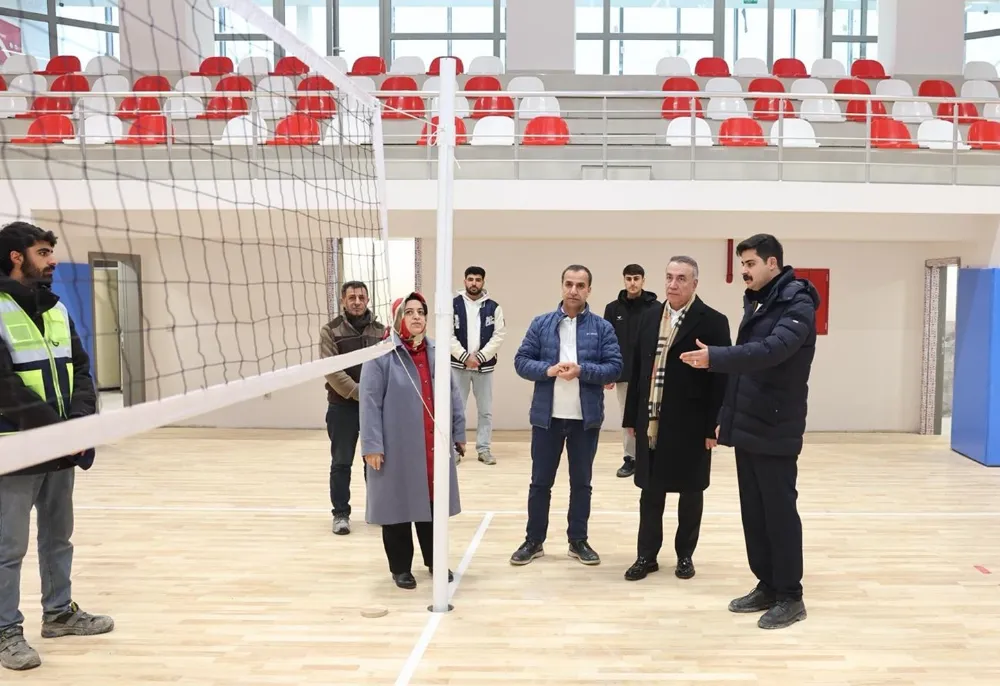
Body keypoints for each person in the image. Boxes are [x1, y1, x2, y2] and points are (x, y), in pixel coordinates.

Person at [679, 234, 819, 631]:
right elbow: (745, 372)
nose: (745, 270)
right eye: (742, 264)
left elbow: (772, 352)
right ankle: (768, 585)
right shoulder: (759, 301)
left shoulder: (797, 303)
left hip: (776, 423)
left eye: (751, 263)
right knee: (754, 513)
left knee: (779, 513)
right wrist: (726, 415)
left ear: (772, 263)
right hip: (749, 422)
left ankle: (791, 596)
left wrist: (715, 357)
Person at [0, 221, 114, 672]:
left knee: (57, 537)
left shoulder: (56, 308)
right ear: (17, 257)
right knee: (7, 549)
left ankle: (60, 613)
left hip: (61, 448)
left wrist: (80, 425)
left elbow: (82, 370)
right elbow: (5, 389)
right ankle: (6, 631)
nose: (53, 261)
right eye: (44, 253)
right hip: (15, 451)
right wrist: (58, 433)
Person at [621, 257, 730, 583]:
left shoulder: (713, 321)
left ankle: (685, 555)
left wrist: (714, 426)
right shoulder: (649, 316)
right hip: (651, 420)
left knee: (691, 492)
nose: (673, 284)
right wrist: (631, 417)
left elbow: (722, 379)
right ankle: (646, 556)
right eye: (669, 277)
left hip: (692, 424)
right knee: (650, 493)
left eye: (681, 278)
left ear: (694, 283)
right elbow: (638, 369)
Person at [509, 265, 622, 567]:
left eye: (580, 285)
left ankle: (578, 540)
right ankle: (534, 541)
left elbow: (614, 367)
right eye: (569, 284)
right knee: (540, 483)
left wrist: (582, 370)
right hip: (546, 418)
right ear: (561, 286)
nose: (574, 290)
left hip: (585, 419)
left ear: (589, 290)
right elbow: (521, 361)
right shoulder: (541, 323)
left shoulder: (602, 328)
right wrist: (547, 370)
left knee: (581, 483)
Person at [359, 292, 466, 590]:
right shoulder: (380, 356)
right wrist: (371, 445)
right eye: (409, 312)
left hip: (432, 446)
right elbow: (369, 403)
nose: (417, 317)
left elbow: (453, 396)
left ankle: (435, 561)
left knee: (432, 505)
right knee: (396, 507)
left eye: (421, 312)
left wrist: (458, 433)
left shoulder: (437, 352)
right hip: (396, 447)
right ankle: (401, 568)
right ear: (397, 319)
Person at [319, 280, 386, 535]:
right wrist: (363, 394)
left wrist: (373, 400)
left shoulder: (381, 331)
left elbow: (386, 367)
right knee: (341, 462)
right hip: (342, 408)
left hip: (374, 410)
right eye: (351, 298)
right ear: (343, 301)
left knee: (375, 461)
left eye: (361, 297)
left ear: (368, 300)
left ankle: (377, 509)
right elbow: (332, 371)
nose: (357, 302)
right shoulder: (330, 330)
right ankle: (340, 514)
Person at [603, 264, 659, 479]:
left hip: (651, 373)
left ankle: (652, 455)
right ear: (624, 280)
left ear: (643, 280)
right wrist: (608, 372)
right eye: (629, 278)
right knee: (627, 417)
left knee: (653, 414)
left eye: (636, 278)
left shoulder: (656, 307)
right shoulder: (612, 309)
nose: (632, 283)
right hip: (624, 374)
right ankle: (631, 458)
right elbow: (607, 342)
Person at [450, 266, 506, 465]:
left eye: (478, 279)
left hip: (484, 368)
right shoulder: (453, 305)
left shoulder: (494, 307)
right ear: (465, 281)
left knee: (485, 411)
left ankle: (484, 449)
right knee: (456, 410)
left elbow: (499, 335)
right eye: (470, 279)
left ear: (483, 282)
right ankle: (455, 449)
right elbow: (448, 335)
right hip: (458, 366)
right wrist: (464, 357)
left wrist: (480, 357)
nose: (474, 283)